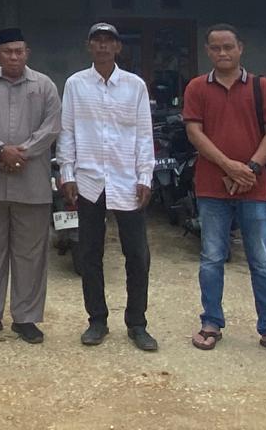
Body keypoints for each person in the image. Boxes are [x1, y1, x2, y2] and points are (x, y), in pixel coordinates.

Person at [183, 24, 266, 361]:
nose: (223, 53)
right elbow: (194, 132)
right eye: (216, 47)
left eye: (228, 46)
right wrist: (229, 166)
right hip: (211, 186)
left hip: (255, 187)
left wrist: (251, 169)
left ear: (240, 48)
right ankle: (211, 323)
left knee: (261, 261)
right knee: (211, 258)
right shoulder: (196, 88)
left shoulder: (262, 87)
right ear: (208, 51)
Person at [59, 22, 158, 351]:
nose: (102, 46)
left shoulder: (134, 86)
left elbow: (144, 133)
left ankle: (137, 323)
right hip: (89, 180)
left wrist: (145, 176)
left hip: (127, 180)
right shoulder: (75, 84)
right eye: (97, 41)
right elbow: (67, 130)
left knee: (137, 255)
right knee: (89, 253)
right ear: (89, 46)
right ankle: (97, 320)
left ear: (118, 47)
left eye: (108, 41)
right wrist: (67, 172)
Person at [0, 27, 60, 345]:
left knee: (31, 254)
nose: (14, 56)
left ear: (27, 53)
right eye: (8, 51)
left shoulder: (44, 85)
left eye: (19, 51)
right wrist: (0, 149)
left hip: (32, 183)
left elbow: (52, 127)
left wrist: (21, 152)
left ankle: (26, 318)